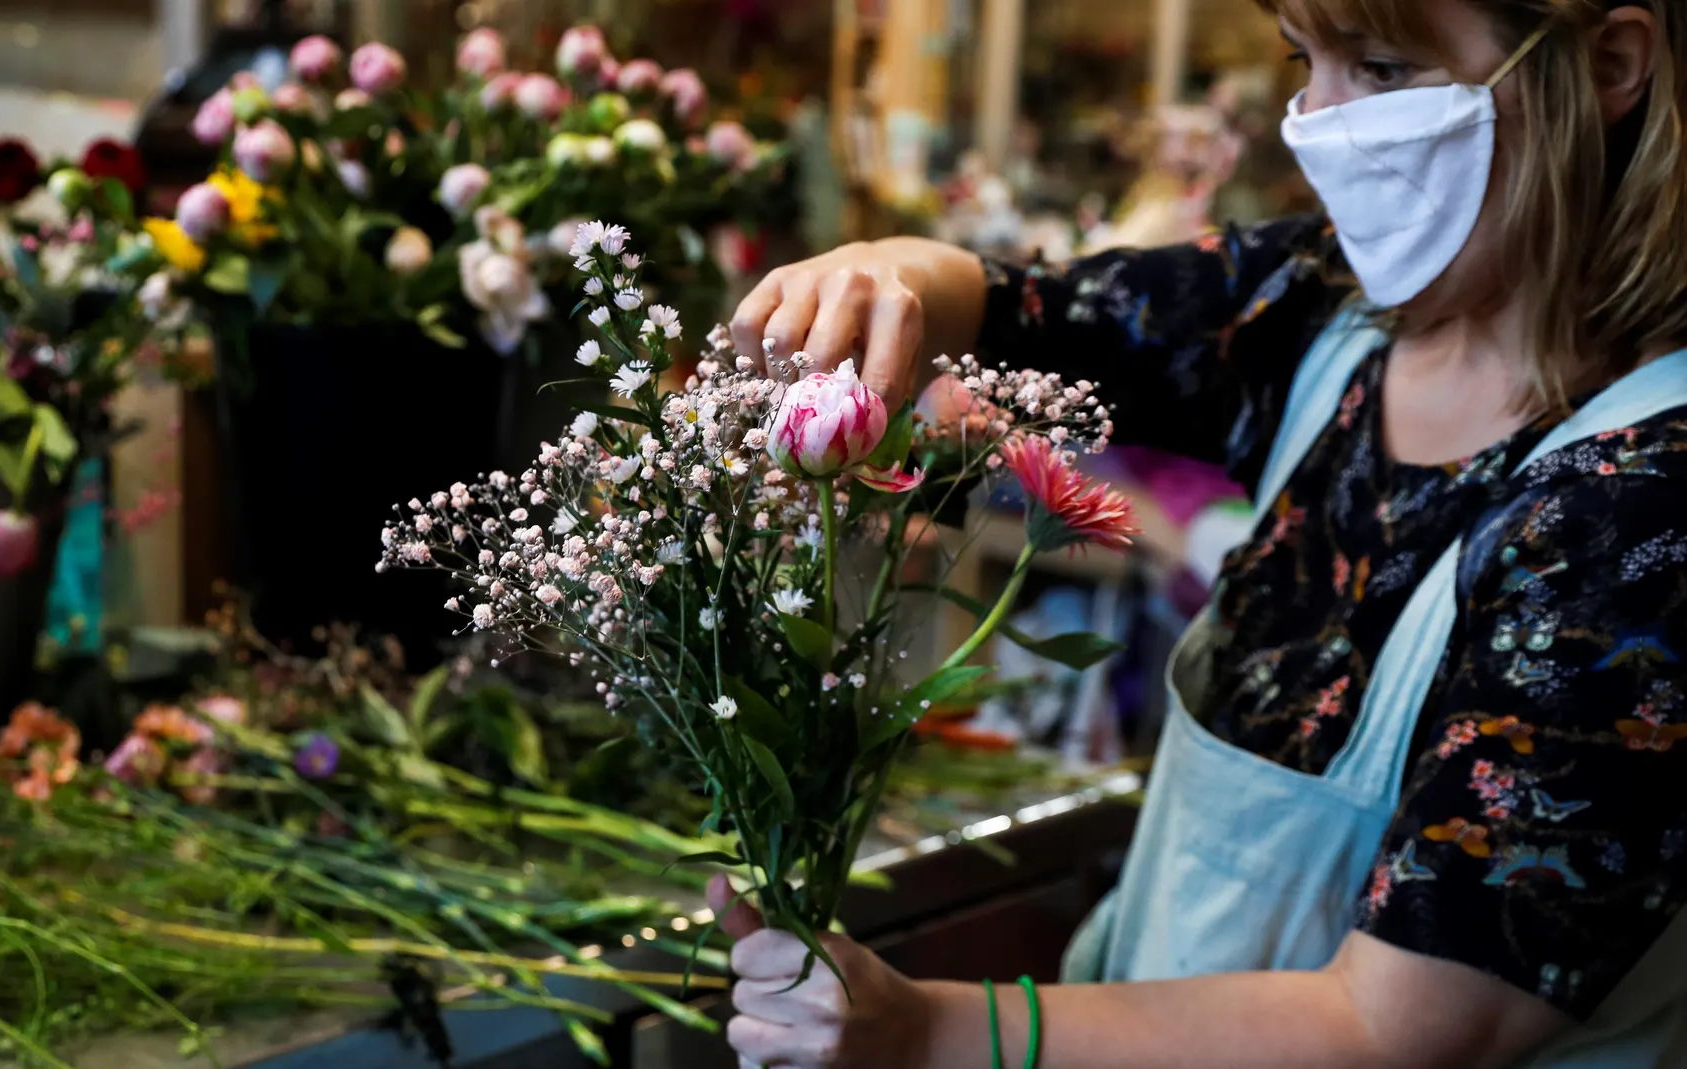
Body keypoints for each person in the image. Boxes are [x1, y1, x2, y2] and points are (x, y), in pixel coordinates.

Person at [710, 2, 1687, 1067]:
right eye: (1302, 62)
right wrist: (882, 275)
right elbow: (1026, 308)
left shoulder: (1641, 503)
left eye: (1381, 66)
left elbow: (1399, 1027)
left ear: (1609, 64)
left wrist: (939, 1030)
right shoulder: (1320, 306)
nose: (1315, 119)